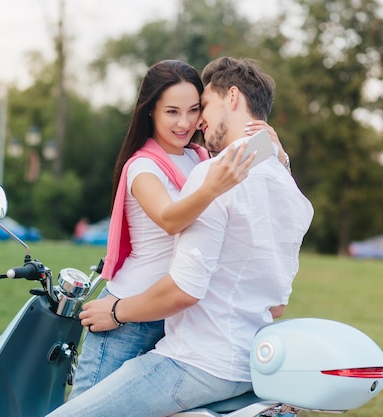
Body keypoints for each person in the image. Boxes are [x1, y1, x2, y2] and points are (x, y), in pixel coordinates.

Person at [47, 56, 314, 417]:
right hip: (244, 357)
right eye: (174, 111)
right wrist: (277, 156)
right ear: (151, 113)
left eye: (200, 107)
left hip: (191, 349)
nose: (194, 121)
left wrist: (115, 309)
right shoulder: (289, 190)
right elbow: (277, 305)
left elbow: (186, 289)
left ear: (232, 97)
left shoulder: (210, 169)